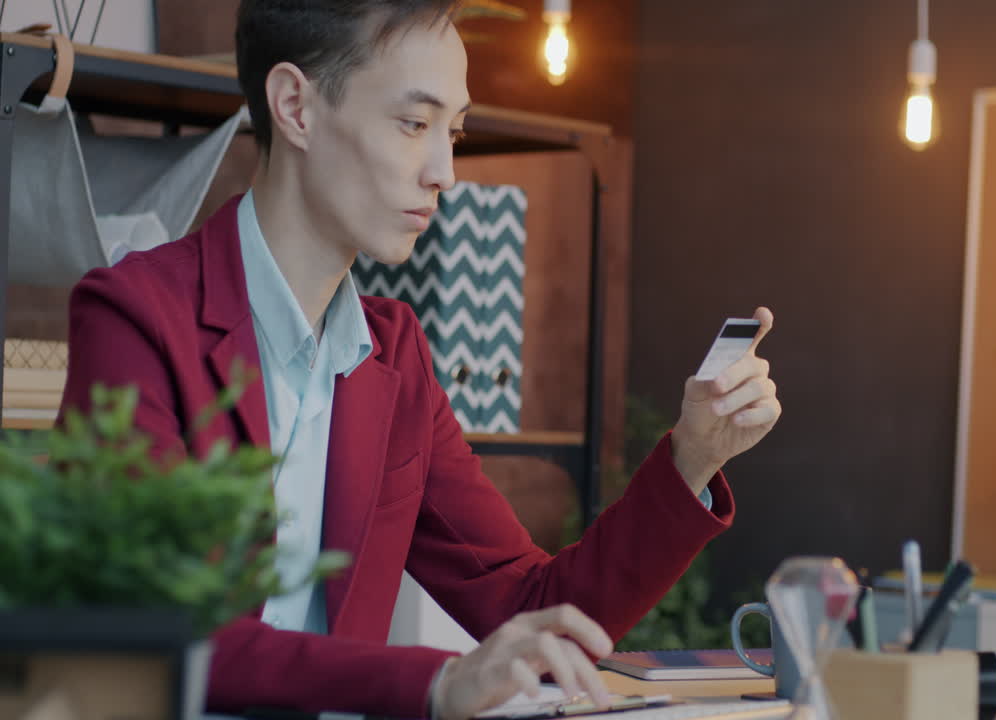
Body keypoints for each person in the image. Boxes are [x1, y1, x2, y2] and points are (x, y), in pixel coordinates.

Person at [58, 1, 781, 718]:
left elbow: (532, 608)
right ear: (295, 107)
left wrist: (692, 459)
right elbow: (153, 628)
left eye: (454, 131)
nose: (445, 172)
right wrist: (436, 683)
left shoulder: (395, 356)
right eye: (414, 123)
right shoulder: (135, 318)